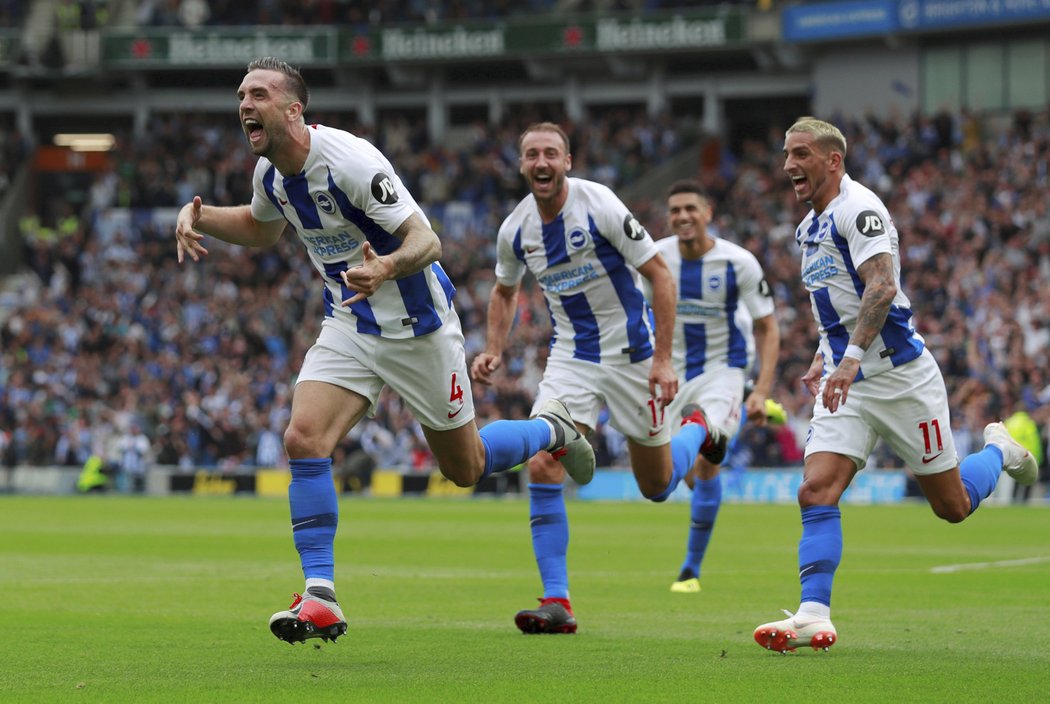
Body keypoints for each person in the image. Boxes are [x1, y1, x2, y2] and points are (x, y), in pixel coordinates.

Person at [173, 58, 595, 646]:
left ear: (294, 109)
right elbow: (262, 227)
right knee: (303, 438)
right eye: (242, 94)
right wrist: (199, 217)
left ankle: (552, 430)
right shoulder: (270, 174)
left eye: (259, 94)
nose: (245, 103)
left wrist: (388, 266)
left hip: (418, 327)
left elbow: (427, 238)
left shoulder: (351, 162)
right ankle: (320, 594)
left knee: (465, 467)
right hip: (349, 320)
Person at [753, 117, 1038, 653]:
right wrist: (825, 356)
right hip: (849, 383)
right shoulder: (807, 227)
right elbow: (835, 304)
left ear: (833, 161)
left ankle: (998, 448)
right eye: (787, 154)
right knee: (815, 489)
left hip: (902, 379)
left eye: (802, 154)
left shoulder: (859, 209)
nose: (789, 164)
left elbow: (882, 288)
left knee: (951, 506)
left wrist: (850, 358)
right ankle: (814, 612)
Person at [471, 122, 727, 635]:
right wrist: (494, 348)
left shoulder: (600, 204)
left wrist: (662, 360)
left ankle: (700, 427)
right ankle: (557, 601)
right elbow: (504, 291)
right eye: (531, 155)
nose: (541, 163)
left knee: (654, 486)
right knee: (544, 466)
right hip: (573, 358)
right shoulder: (515, 229)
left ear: (567, 161)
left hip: (634, 355)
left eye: (551, 154)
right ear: (520, 165)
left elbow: (659, 274)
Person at [647, 180, 781, 594]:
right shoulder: (655, 257)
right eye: (675, 210)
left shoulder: (738, 262)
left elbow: (767, 327)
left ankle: (690, 570)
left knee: (705, 459)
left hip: (724, 368)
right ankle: (726, 422)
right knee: (680, 479)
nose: (683, 216)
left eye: (691, 208)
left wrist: (759, 387)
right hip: (672, 371)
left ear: (708, 213)